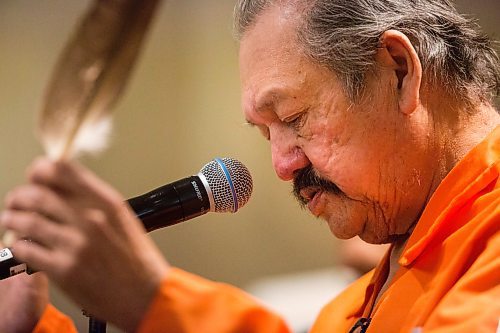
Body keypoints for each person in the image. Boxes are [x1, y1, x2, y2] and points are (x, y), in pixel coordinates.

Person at [0, 0, 499, 332]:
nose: (282, 166)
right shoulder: (347, 312)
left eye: (294, 117)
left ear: (398, 69)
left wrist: (155, 300)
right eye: (266, 132)